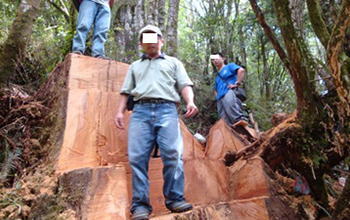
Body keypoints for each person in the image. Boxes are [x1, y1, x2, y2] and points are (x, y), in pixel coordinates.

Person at [114, 25, 198, 220]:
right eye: (146, 38)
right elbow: (126, 91)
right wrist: (119, 112)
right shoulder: (135, 66)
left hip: (167, 109)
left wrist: (190, 101)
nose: (150, 42)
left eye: (154, 38)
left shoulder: (173, 62)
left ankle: (175, 199)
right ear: (141, 44)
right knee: (137, 158)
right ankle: (140, 206)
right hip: (140, 112)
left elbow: (184, 84)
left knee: (172, 153)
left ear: (161, 41)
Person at [212, 52, 248, 126]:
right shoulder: (217, 76)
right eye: (213, 59)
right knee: (224, 119)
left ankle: (242, 124)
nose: (215, 60)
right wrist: (218, 98)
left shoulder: (229, 66)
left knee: (233, 111)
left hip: (228, 92)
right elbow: (215, 89)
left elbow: (241, 70)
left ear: (223, 58)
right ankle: (230, 131)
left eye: (216, 58)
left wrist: (237, 83)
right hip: (220, 98)